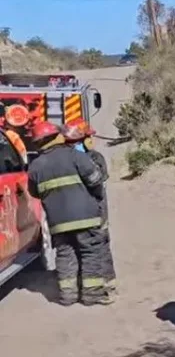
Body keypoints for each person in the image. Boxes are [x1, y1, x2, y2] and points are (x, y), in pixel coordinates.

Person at [26, 120, 110, 306]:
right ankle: (91, 295)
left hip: (58, 222)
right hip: (86, 217)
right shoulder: (75, 156)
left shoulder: (35, 167)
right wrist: (95, 199)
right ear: (57, 136)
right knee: (90, 253)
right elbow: (96, 180)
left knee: (65, 255)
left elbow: (33, 192)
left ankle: (68, 296)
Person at [62, 118, 116, 296]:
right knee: (97, 249)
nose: (92, 141)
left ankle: (100, 284)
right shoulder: (93, 158)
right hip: (95, 212)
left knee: (79, 250)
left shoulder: (64, 160)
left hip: (74, 214)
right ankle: (101, 287)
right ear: (81, 139)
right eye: (89, 137)